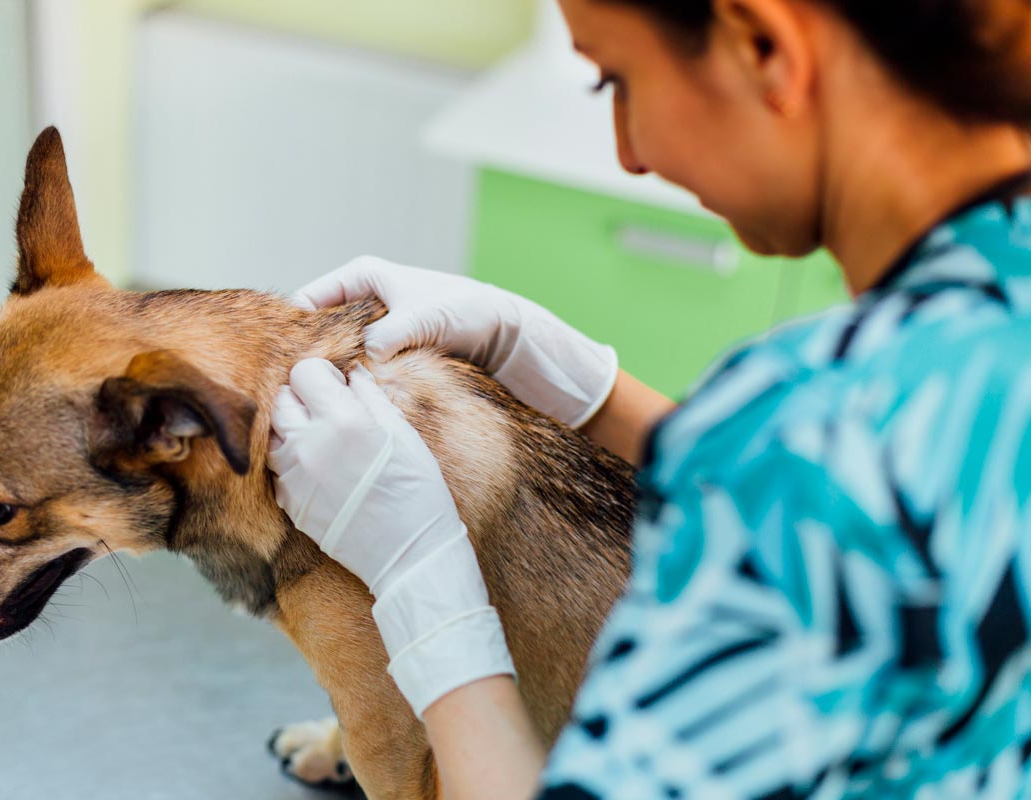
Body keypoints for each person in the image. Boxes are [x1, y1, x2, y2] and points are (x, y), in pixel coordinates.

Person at [265, 0, 1031, 796]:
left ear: (765, 45)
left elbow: (816, 473)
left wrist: (424, 586)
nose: (631, 155)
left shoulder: (810, 435)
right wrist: (582, 385)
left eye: (616, 81)